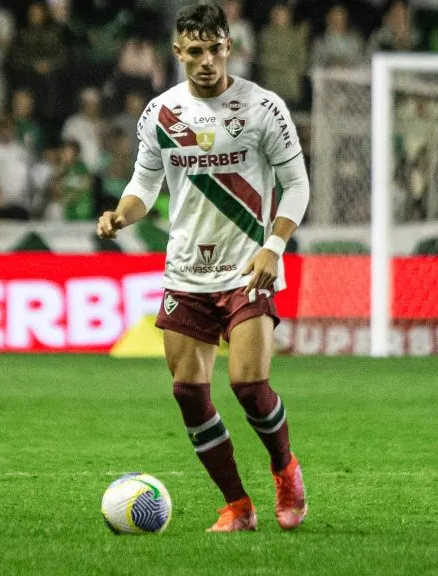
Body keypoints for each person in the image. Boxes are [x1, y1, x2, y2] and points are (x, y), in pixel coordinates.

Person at [96, 4, 309, 534]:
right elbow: (144, 186)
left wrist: (274, 246)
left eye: (215, 49)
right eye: (196, 51)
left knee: (247, 384)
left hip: (248, 267)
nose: (207, 60)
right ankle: (237, 505)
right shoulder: (161, 113)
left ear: (229, 47)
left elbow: (297, 185)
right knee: (189, 392)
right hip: (186, 271)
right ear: (178, 52)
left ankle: (285, 469)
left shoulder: (263, 108)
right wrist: (122, 214)